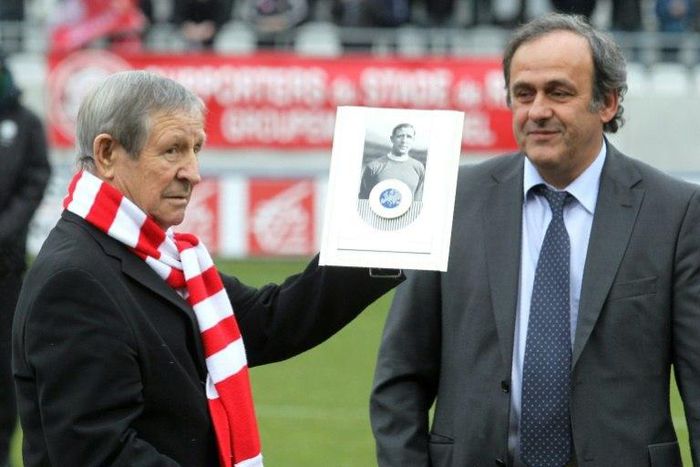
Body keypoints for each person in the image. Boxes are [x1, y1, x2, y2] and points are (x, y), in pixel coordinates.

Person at [12, 70, 403, 467]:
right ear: (108, 154)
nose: (193, 172)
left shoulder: (166, 259)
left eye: (195, 148)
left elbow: (273, 319)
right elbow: (99, 454)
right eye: (172, 150)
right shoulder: (76, 280)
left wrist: (385, 232)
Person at [370, 13, 700, 467]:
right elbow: (400, 378)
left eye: (558, 92)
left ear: (606, 102)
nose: (537, 110)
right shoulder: (447, 198)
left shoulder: (676, 212)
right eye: (523, 94)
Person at [0, 52, 50, 467]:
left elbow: (36, 178)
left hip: (6, 268)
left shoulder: (26, 124)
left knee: (6, 371)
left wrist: (5, 230)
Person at [358, 123, 425, 202]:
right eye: (400, 136)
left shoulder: (418, 168)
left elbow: (418, 202)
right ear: (392, 139)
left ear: (413, 140)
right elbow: (363, 202)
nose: (404, 141)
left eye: (409, 137)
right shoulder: (374, 167)